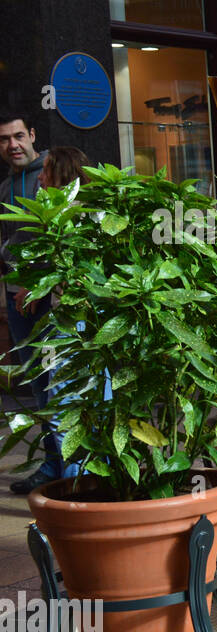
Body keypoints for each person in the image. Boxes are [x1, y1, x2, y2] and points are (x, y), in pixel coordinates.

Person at [7, 146, 91, 492]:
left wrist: (39, 287)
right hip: (50, 315)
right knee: (53, 399)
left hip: (66, 321)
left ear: (63, 176)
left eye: (46, 173)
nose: (39, 178)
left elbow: (79, 267)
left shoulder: (79, 214)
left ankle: (75, 491)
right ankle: (63, 478)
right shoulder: (54, 208)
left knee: (64, 402)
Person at [0, 115, 54, 492]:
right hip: (16, 296)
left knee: (59, 384)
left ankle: (74, 470)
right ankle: (53, 467)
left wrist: (41, 286)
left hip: (49, 296)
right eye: (4, 140)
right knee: (37, 382)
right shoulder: (5, 186)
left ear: (32, 135)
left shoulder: (53, 174)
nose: (13, 145)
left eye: (19, 136)